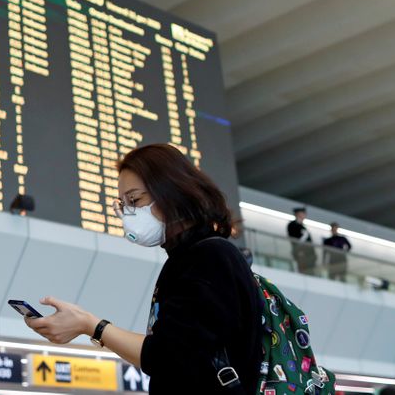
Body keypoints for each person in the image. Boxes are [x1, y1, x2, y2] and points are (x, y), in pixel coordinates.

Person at [24, 144, 262, 394]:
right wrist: (88, 325)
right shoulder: (186, 259)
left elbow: (166, 356)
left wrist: (91, 325)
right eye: (124, 204)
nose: (129, 214)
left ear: (171, 191)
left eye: (135, 200)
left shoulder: (209, 257)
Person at [287, 207, 317, 275]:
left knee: (310, 270)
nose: (304, 215)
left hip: (309, 253)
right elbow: (293, 239)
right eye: (303, 213)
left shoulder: (304, 227)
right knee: (302, 268)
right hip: (300, 251)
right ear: (298, 214)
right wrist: (299, 250)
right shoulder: (292, 225)